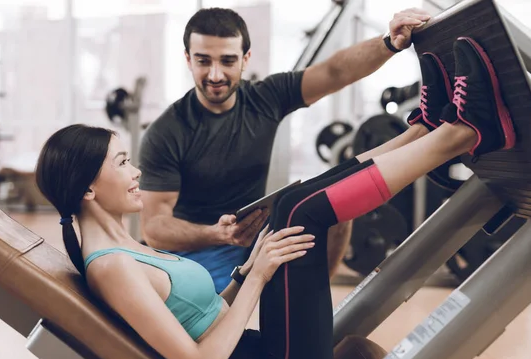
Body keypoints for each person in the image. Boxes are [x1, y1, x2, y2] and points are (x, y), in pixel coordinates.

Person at [36, 37, 516, 359]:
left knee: (289, 205)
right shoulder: (112, 266)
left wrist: (245, 272)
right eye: (123, 164)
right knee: (299, 211)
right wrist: (258, 277)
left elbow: (198, 317)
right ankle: (459, 136)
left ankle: (425, 132)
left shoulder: (126, 249)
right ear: (88, 189)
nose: (137, 171)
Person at [137, 7, 433, 293]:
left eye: (227, 61)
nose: (215, 75)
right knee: (213, 313)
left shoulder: (265, 98)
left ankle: (311, 302)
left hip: (257, 235)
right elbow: (153, 228)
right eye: (203, 61)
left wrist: (388, 43)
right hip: (197, 250)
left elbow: (334, 72)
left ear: (245, 59)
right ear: (188, 60)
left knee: (337, 208)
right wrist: (218, 233)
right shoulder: (167, 131)